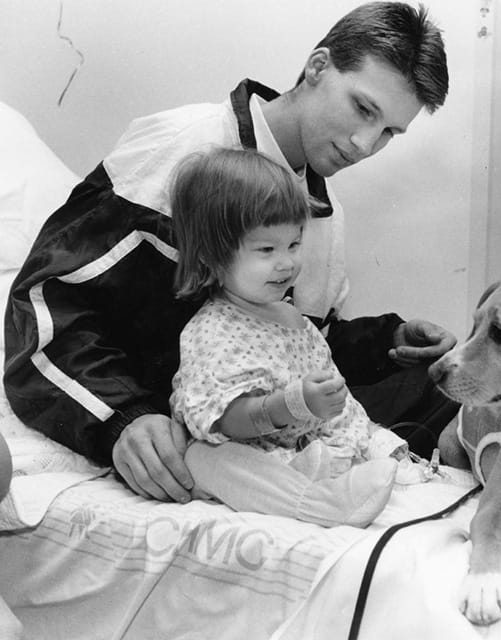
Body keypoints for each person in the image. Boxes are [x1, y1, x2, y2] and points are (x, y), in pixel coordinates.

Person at [2, 1, 459, 504]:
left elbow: (291, 344)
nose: (364, 144)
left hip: (271, 425)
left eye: (389, 132)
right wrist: (120, 418)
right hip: (182, 418)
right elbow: (44, 308)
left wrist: (387, 340)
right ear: (318, 67)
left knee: (446, 387)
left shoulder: (325, 216)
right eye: (363, 109)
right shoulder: (183, 150)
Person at [171, 147, 424, 527]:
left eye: (293, 244)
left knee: (367, 433)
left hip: (308, 445)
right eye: (266, 249)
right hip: (257, 458)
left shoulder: (293, 318)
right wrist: (293, 404)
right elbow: (226, 419)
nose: (287, 262)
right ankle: (312, 502)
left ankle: (352, 470)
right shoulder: (213, 331)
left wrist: (349, 424)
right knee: (204, 458)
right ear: (211, 256)